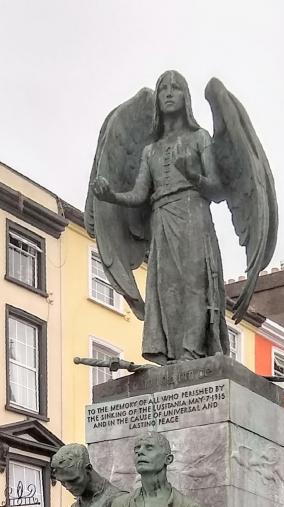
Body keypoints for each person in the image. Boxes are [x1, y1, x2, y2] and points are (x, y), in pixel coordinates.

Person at [93, 70, 229, 365]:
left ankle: (192, 352)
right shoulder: (150, 150)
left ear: (185, 97)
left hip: (193, 211)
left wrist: (195, 176)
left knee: (195, 283)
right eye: (163, 88)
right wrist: (111, 196)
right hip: (162, 216)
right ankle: (170, 352)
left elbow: (218, 190)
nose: (168, 93)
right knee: (166, 287)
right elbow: (139, 194)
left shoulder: (199, 138)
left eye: (175, 88)